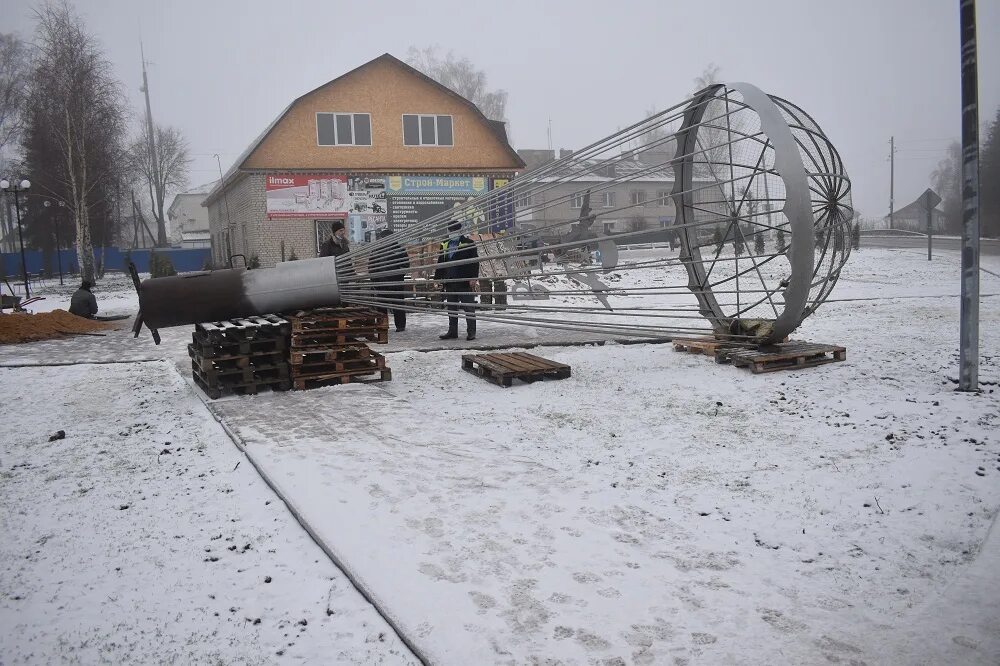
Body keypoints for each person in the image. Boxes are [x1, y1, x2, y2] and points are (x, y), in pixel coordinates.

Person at [434, 221, 480, 341]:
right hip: (449, 281)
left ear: (459, 231)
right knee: (452, 308)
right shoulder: (445, 244)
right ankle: (452, 331)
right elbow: (441, 262)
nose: (451, 233)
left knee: (468, 307)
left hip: (464, 281)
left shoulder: (468, 243)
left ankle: (471, 332)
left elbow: (474, 262)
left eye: (454, 231)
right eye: (450, 231)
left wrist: (473, 278)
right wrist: (437, 278)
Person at [371, 229, 410, 332]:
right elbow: (372, 267)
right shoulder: (376, 251)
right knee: (381, 307)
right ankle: (382, 325)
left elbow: (405, 265)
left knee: (398, 305)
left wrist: (397, 275)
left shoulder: (400, 250)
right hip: (381, 283)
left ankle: (400, 326)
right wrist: (374, 280)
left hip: (395, 283)